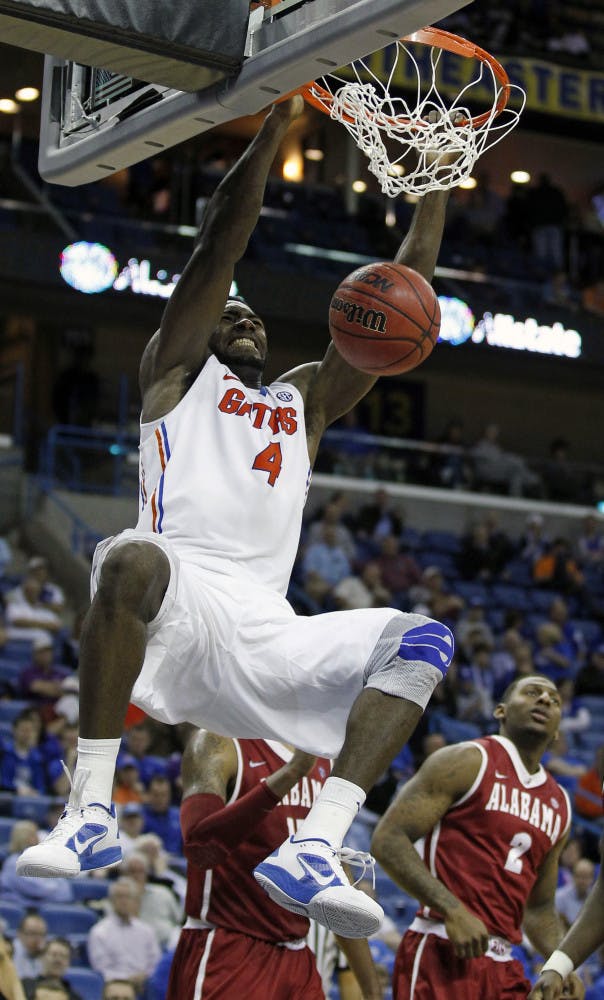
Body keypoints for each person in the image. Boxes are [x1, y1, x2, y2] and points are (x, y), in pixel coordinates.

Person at [18, 96, 455, 939]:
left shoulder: (304, 407)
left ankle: (319, 844)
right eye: (232, 312)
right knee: (131, 560)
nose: (247, 317)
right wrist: (278, 117)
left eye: (255, 315)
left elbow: (409, 289)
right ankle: (90, 812)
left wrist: (434, 174)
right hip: (179, 601)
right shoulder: (174, 378)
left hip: (265, 626)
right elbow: (224, 234)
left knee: (421, 640)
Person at [371, 674, 585, 999]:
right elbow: (388, 839)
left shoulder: (559, 804)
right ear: (501, 711)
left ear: (557, 729)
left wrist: (562, 962)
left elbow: (539, 908)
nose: (544, 700)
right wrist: (452, 909)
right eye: (532, 692)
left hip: (504, 965)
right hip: (442, 947)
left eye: (554, 700)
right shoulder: (467, 760)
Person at [166, 728, 381, 999]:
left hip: (297, 957)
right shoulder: (218, 742)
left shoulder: (323, 757)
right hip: (229, 950)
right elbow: (200, 849)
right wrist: (290, 774)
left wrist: (372, 991)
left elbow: (336, 868)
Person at [528, 840, 604, 999]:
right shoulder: (562, 897)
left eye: (587, 877)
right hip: (575, 958)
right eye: (580, 876)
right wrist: (558, 967)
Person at [87, 876, 161, 992]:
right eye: (119, 897)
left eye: (128, 897)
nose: (124, 901)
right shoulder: (99, 932)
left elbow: (155, 962)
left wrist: (144, 976)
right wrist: (126, 980)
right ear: (111, 900)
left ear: (135, 901)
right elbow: (100, 969)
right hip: (113, 988)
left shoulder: (146, 931)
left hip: (144, 986)